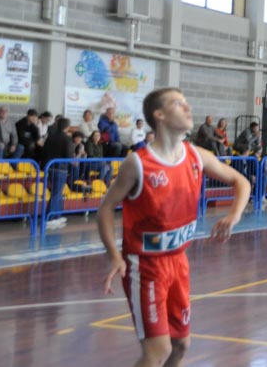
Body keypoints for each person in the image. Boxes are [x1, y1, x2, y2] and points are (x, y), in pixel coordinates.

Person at [97, 87, 251, 367]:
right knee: (158, 352)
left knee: (180, 345)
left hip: (179, 261)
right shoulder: (138, 164)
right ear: (159, 114)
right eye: (179, 104)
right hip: (145, 266)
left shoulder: (197, 156)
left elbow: (241, 181)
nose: (188, 108)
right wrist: (114, 255)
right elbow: (106, 208)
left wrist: (234, 215)